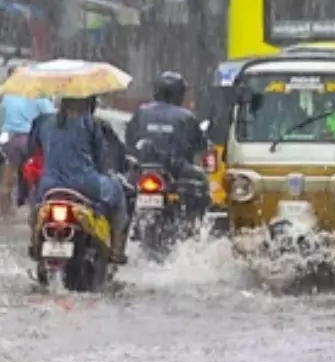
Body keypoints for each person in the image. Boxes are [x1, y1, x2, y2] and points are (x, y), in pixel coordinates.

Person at [32, 96, 131, 264]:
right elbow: (102, 160)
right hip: (86, 184)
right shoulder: (92, 123)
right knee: (118, 189)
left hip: (49, 185)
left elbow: (33, 150)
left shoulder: (43, 122)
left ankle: (34, 242)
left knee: (35, 204)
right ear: (89, 102)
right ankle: (116, 248)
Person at [125, 71, 211, 213]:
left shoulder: (141, 111)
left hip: (141, 169)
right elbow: (199, 145)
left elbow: (129, 139)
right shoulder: (186, 116)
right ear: (179, 93)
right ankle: (195, 227)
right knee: (202, 183)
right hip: (176, 170)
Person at [0, 90, 56, 215]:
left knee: (7, 178)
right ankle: (33, 214)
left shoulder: (9, 95)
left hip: (9, 138)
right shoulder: (39, 96)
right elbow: (52, 116)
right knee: (33, 177)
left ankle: (5, 215)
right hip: (28, 139)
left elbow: (3, 114)